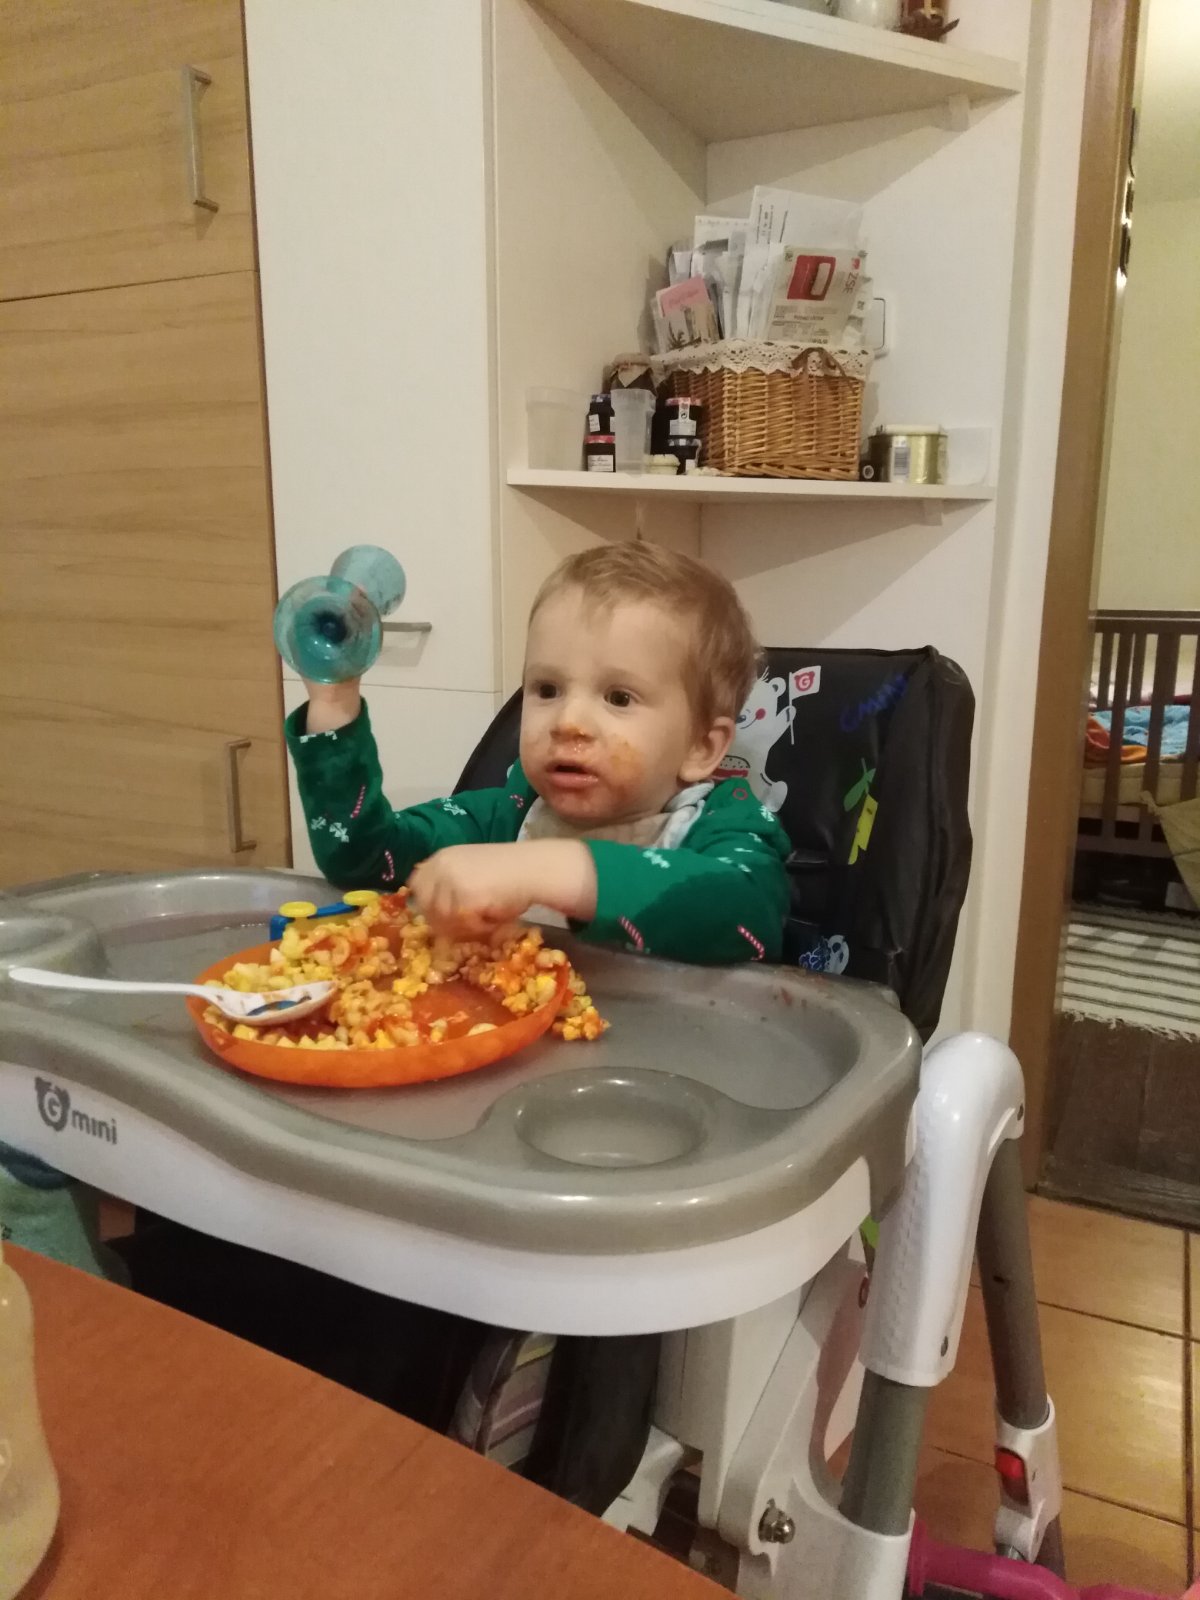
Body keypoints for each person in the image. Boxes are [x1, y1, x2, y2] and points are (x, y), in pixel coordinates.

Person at [286, 542, 790, 964]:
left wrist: (553, 870)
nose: (568, 722)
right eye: (547, 689)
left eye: (619, 698)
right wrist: (334, 705)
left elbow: (750, 917)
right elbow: (365, 857)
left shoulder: (726, 828)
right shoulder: (504, 818)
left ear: (702, 747)